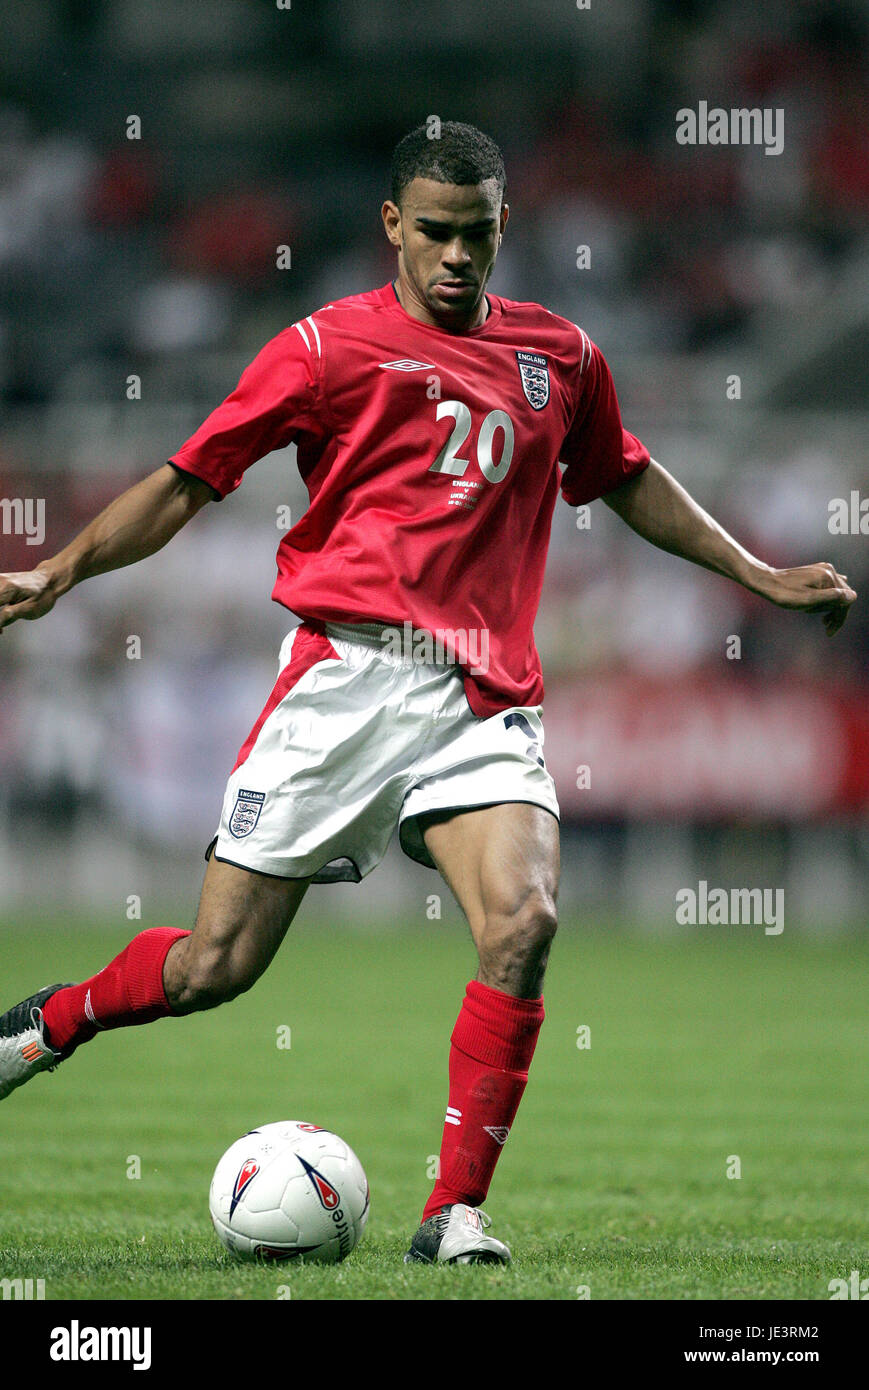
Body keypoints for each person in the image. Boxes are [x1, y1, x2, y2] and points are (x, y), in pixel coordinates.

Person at [0, 122, 855, 1266]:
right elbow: (186, 480)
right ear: (394, 227)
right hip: (341, 686)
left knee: (524, 920)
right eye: (436, 232)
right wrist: (62, 569)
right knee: (215, 966)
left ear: (505, 228)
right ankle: (46, 1024)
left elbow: (626, 478)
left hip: (479, 696)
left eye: (479, 233)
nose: (457, 256)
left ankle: (453, 1212)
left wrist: (751, 569)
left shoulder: (561, 357)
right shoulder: (319, 348)